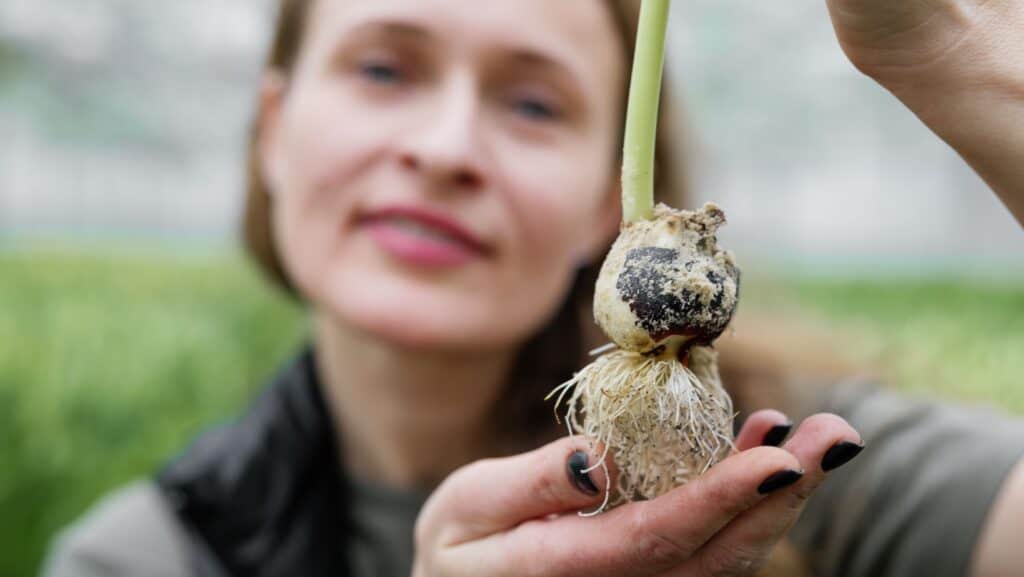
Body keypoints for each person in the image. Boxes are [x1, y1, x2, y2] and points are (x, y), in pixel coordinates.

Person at [43, 0, 1024, 576]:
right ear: (273, 127)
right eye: (384, 69)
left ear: (611, 198)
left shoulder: (811, 471)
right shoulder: (141, 558)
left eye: (531, 102)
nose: (444, 150)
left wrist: (965, 72)